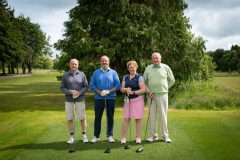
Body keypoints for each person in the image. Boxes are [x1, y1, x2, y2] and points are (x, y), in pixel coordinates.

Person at [143, 52, 175, 143]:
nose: (155, 60)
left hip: (163, 95)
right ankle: (153, 136)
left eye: (157, 58)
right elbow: (144, 81)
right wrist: (148, 91)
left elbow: (172, 80)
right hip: (151, 96)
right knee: (152, 116)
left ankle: (165, 136)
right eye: (154, 58)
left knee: (163, 116)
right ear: (151, 59)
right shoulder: (148, 68)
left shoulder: (166, 67)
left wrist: (165, 88)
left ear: (160, 59)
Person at [89, 55, 120, 143]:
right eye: (102, 61)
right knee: (98, 117)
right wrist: (100, 92)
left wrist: (109, 91)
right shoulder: (96, 72)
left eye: (106, 61)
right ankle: (96, 136)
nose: (104, 62)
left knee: (110, 117)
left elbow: (117, 85)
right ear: (100, 62)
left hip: (111, 98)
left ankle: (110, 135)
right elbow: (92, 85)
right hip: (99, 98)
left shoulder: (113, 72)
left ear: (108, 62)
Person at [60, 59, 89, 144]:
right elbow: (62, 88)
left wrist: (79, 92)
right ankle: (72, 136)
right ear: (70, 65)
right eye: (72, 64)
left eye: (75, 64)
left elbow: (86, 86)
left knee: (82, 117)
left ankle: (84, 135)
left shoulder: (82, 74)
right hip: (69, 100)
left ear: (78, 65)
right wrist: (70, 92)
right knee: (70, 118)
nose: (74, 66)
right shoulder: (65, 75)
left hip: (80, 99)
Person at [120, 61, 146, 144]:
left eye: (133, 67)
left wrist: (134, 92)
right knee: (126, 119)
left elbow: (143, 90)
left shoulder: (139, 77)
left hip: (137, 100)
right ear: (128, 68)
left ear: (136, 67)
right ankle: (123, 137)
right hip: (128, 100)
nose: (131, 69)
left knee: (138, 119)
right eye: (130, 67)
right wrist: (126, 90)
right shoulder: (125, 77)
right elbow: (121, 89)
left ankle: (138, 137)